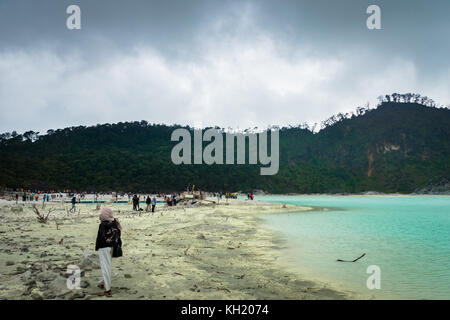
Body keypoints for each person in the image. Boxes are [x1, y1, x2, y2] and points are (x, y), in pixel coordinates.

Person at [95, 207, 122, 297]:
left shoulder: (104, 224)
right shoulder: (115, 222)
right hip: (112, 247)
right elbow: (118, 234)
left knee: (105, 267)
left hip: (104, 247)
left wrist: (98, 247)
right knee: (107, 265)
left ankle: (107, 289)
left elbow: (101, 238)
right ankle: (102, 283)